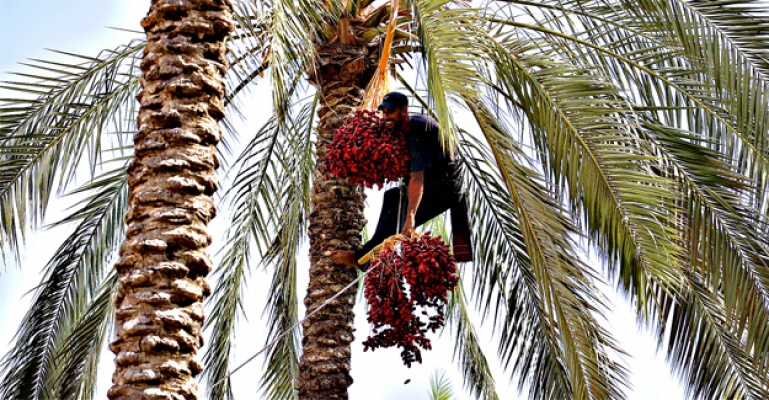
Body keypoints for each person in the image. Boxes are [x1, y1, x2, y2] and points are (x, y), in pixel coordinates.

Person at [331, 91, 472, 270]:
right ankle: (373, 254)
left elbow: (417, 179)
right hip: (434, 181)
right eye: (383, 112)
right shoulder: (401, 128)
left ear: (403, 111)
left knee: (395, 220)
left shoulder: (420, 132)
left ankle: (363, 260)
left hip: (444, 189)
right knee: (391, 197)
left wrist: (410, 217)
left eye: (390, 112)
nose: (385, 116)